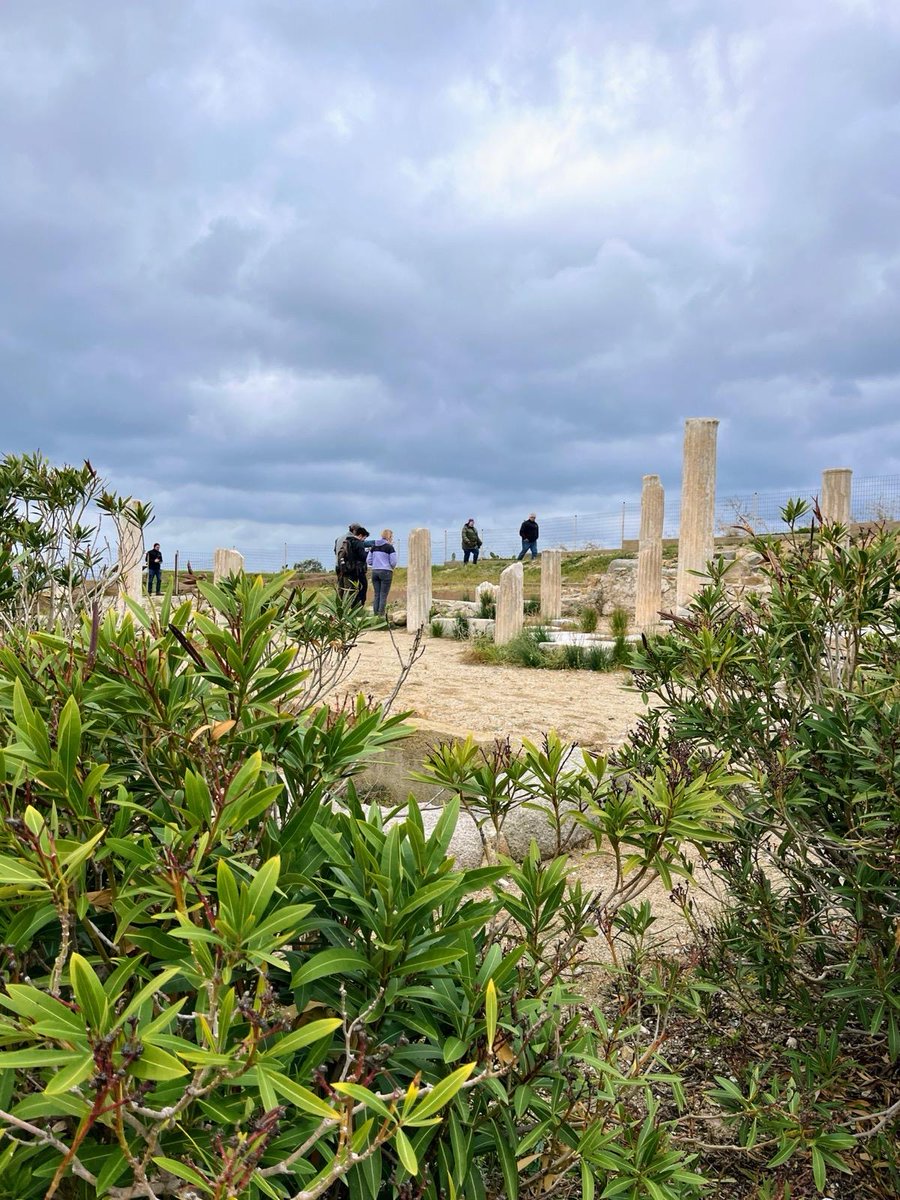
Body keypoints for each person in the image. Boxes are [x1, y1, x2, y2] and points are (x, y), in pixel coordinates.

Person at [334, 523, 370, 608]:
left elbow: (336, 551)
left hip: (339, 566)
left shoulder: (339, 538)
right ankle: (351, 608)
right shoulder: (354, 541)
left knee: (341, 588)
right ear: (355, 531)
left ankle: (339, 607)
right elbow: (360, 555)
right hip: (350, 568)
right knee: (351, 589)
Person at [367, 529, 397, 618]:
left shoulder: (373, 547)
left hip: (375, 571)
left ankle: (375, 614)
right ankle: (381, 615)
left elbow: (368, 560)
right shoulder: (389, 547)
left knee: (377, 594)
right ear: (390, 537)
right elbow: (393, 562)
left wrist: (375, 564)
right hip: (386, 571)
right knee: (383, 594)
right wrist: (390, 566)